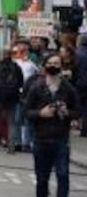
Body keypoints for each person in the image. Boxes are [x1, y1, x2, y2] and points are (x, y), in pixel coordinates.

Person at [25, 54, 81, 197]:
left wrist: (66, 112)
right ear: (44, 65)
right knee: (42, 178)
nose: (53, 66)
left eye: (56, 63)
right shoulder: (36, 87)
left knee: (62, 175)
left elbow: (78, 112)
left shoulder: (68, 89)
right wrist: (40, 113)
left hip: (61, 138)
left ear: (61, 66)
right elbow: (27, 112)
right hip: (41, 138)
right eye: (50, 63)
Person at [0, 46, 24, 153]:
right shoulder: (16, 67)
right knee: (12, 123)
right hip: (12, 98)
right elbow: (21, 82)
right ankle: (11, 147)